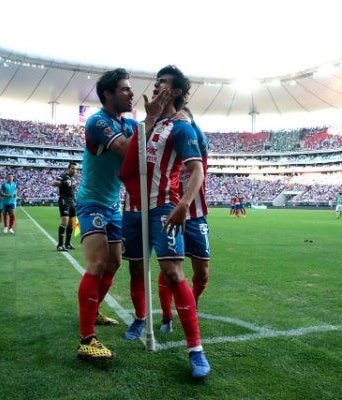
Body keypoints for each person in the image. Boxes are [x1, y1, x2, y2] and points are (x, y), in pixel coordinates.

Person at [119, 65, 210, 379]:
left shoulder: (181, 128)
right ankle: (141, 318)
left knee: (172, 272)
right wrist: (147, 119)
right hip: (131, 208)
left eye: (163, 83)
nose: (156, 86)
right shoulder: (140, 126)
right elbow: (128, 167)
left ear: (175, 92)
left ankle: (195, 349)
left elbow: (196, 170)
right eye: (156, 82)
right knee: (134, 268)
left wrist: (184, 204)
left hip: (163, 208)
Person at [75, 68, 146, 361]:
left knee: (115, 262)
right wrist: (150, 121)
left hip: (112, 205)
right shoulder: (98, 122)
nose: (131, 94)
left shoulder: (127, 124)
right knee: (97, 262)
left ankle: (94, 308)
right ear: (108, 94)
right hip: (91, 201)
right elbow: (127, 150)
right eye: (125, 89)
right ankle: (86, 339)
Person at [157, 106, 210, 335]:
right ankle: (167, 315)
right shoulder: (166, 155)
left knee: (202, 270)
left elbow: (203, 142)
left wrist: (191, 121)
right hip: (170, 213)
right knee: (169, 267)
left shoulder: (197, 151)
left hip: (196, 216)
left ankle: (193, 299)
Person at [52, 162, 78, 251]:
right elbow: (54, 183)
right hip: (64, 201)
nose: (74, 170)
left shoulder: (74, 179)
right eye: (73, 168)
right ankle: (60, 245)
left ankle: (67, 244)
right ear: (68, 169)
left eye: (76, 169)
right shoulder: (63, 176)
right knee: (65, 221)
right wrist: (64, 183)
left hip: (72, 201)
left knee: (71, 223)